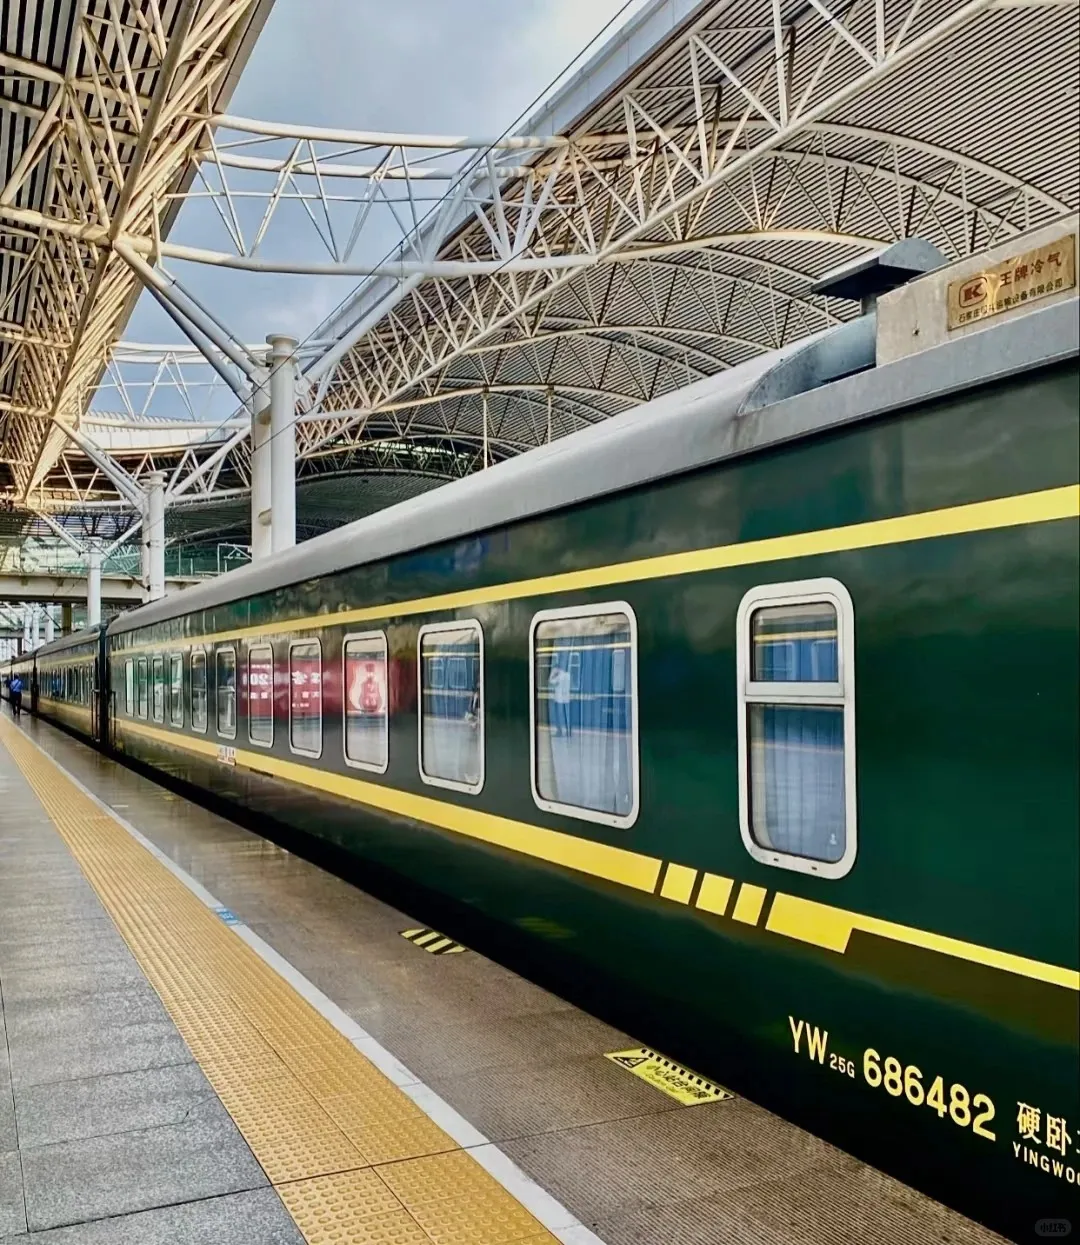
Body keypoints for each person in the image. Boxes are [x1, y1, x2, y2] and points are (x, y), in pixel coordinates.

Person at [549, 664, 572, 738]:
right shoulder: (568, 675)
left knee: (559, 716)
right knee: (566, 716)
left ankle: (560, 731)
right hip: (566, 699)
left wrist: (553, 673)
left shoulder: (559, 676)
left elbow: (550, 681)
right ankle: (568, 732)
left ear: (557, 668)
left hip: (559, 699)